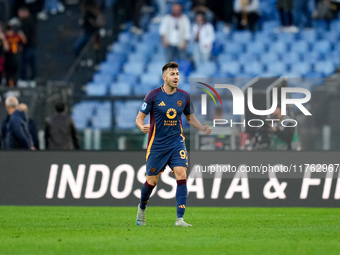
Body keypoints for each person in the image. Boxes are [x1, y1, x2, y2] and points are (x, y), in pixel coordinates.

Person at [135, 61, 212, 227]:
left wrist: (203, 128)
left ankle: (180, 219)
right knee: (152, 181)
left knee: (181, 173)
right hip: (157, 145)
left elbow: (190, 119)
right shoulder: (153, 96)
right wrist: (142, 127)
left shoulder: (184, 96)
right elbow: (139, 118)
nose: (176, 77)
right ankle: (141, 208)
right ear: (164, 77)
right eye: (172, 74)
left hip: (177, 142)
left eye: (177, 74)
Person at [17, 7, 37, 88]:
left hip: (28, 47)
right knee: (31, 64)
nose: (19, 14)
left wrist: (21, 45)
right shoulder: (32, 21)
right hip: (32, 46)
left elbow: (25, 38)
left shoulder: (26, 23)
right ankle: (32, 79)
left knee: (25, 63)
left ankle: (24, 79)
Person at [4, 19, 26, 87]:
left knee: (15, 71)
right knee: (8, 72)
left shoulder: (16, 36)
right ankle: (9, 85)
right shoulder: (6, 37)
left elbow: (24, 41)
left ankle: (14, 84)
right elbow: (6, 48)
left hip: (15, 55)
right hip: (8, 55)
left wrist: (20, 33)